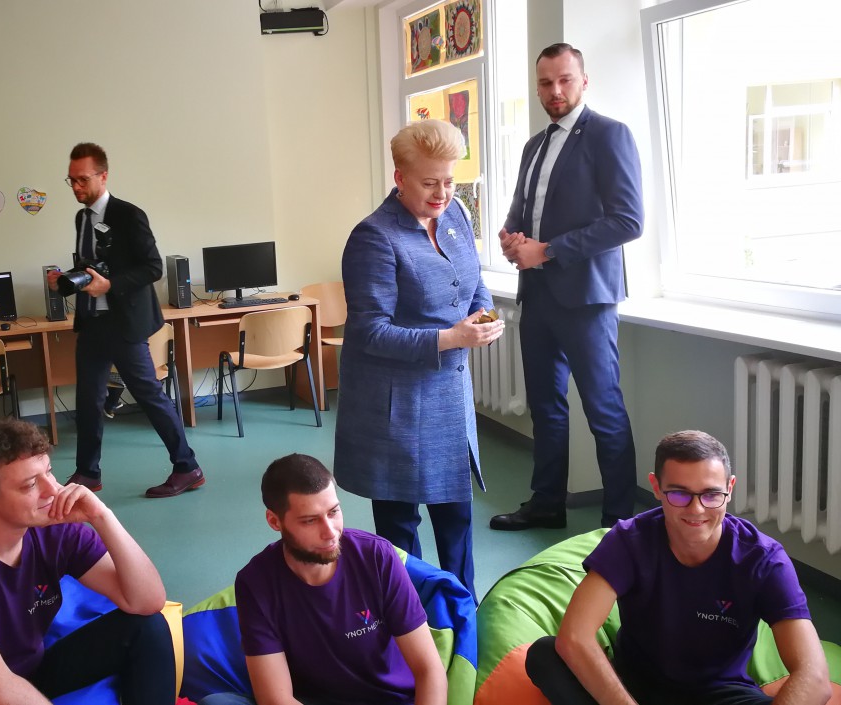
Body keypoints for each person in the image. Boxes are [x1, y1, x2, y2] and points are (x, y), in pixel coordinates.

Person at [525, 430, 832, 705]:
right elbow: (575, 636)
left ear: (730, 488)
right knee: (545, 654)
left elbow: (815, 676)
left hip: (720, 694)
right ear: (656, 487)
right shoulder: (629, 541)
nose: (696, 509)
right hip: (633, 687)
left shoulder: (762, 558)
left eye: (711, 494)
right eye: (679, 494)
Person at [333, 119, 503, 597]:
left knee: (457, 518)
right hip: (396, 405)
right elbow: (369, 331)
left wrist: (484, 315)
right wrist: (452, 338)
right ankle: (410, 617)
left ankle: (462, 611)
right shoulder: (374, 237)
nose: (442, 194)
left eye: (450, 181)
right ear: (400, 177)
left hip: (448, 395)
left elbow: (474, 280)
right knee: (401, 528)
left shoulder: (456, 216)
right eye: (429, 183)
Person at [0, 417, 175, 705]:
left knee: (147, 626)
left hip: (26, 674)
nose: (53, 490)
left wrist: (102, 516)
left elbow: (147, 601)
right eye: (30, 485)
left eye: (49, 472)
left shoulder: (54, 530)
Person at [491, 43, 643, 532]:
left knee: (604, 412)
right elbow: (522, 210)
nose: (555, 90)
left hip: (587, 300)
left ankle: (619, 524)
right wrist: (512, 239)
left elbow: (628, 221)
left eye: (564, 80)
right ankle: (546, 504)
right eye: (545, 82)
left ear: (583, 80)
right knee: (546, 408)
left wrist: (549, 250)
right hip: (536, 296)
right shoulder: (533, 145)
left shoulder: (609, 135)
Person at [201, 454, 446, 705]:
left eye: (333, 512)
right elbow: (275, 697)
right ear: (274, 521)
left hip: (390, 699)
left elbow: (429, 669)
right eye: (310, 520)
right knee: (216, 702)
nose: (330, 532)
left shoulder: (377, 556)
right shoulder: (255, 582)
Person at [47, 142, 202, 498]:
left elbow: (153, 267)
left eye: (83, 180)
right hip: (92, 322)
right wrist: (66, 279)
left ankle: (187, 467)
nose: (76, 187)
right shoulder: (82, 218)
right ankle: (88, 473)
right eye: (71, 180)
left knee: (148, 394)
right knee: (88, 399)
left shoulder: (129, 215)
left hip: (124, 323)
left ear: (103, 176)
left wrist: (110, 285)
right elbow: (93, 265)